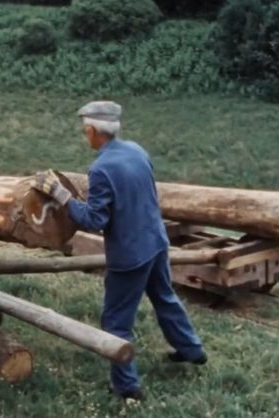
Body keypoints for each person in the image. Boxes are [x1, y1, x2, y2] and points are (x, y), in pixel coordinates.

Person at [32, 100, 206, 401]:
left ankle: (127, 387)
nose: (85, 135)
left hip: (130, 255)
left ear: (93, 130)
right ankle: (191, 349)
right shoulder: (137, 151)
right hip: (156, 241)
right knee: (165, 297)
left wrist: (60, 195)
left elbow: (95, 220)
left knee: (116, 322)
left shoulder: (101, 169)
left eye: (85, 130)